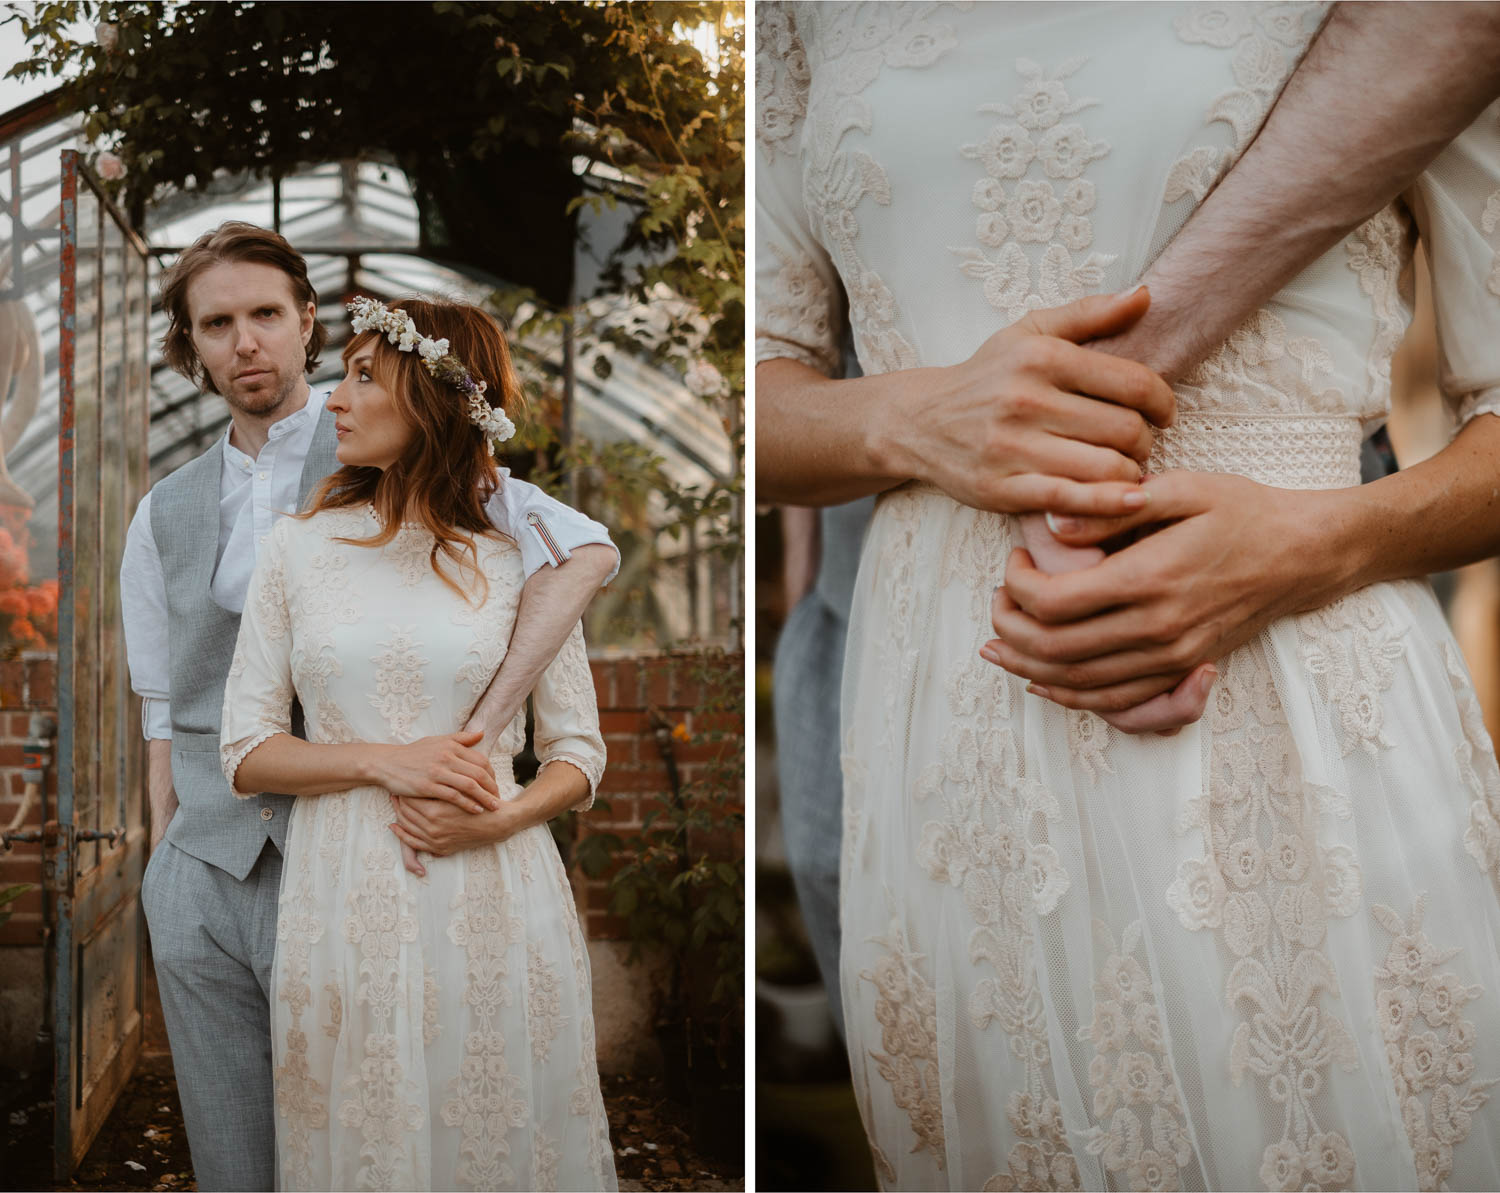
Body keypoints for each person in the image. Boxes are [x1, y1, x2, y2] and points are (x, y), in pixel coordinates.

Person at [758, 3, 1500, 1189]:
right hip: (950, 745)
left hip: (1292, 712)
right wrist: (913, 414)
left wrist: (1319, 543)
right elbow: (752, 402)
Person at [122, 222, 617, 1191]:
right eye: (216, 323)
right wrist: (164, 867)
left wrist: (485, 767)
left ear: (305, 318)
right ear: (192, 341)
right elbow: (165, 704)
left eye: (265, 314)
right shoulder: (168, 512)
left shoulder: (489, 509)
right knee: (252, 1159)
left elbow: (582, 560)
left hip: (364, 861)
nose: (245, 341)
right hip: (218, 863)